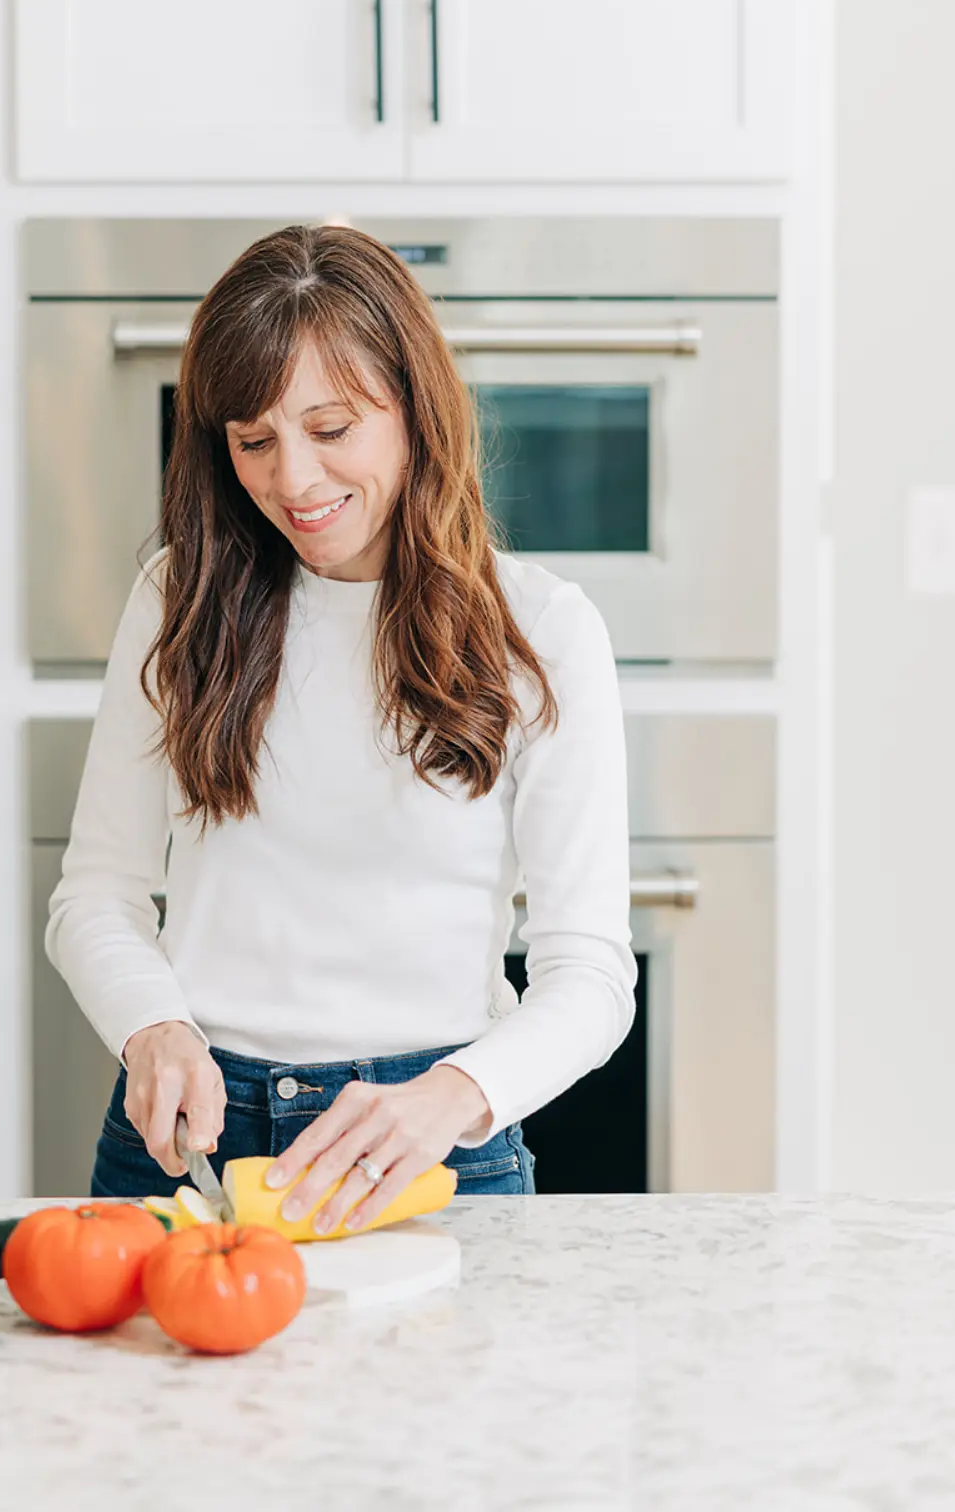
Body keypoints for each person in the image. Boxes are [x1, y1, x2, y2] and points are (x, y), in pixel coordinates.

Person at [46, 223, 635, 1231]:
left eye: (330, 429)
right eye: (253, 440)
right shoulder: (177, 600)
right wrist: (151, 1026)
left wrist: (449, 1097)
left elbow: (590, 976)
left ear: (412, 411)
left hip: (431, 1146)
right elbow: (93, 894)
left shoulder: (539, 632)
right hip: (193, 1143)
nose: (292, 481)